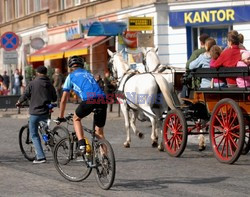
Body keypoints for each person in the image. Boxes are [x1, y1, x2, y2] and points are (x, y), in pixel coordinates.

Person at [57, 56, 107, 154]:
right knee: (99, 132)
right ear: (82, 65)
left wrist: (61, 116)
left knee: (76, 118)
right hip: (103, 99)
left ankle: (81, 144)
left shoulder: (70, 77)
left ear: (70, 67)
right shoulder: (88, 74)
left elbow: (63, 100)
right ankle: (105, 159)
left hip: (89, 99)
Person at [16, 66, 57, 163]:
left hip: (35, 112)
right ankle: (52, 144)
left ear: (37, 73)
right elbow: (54, 98)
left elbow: (25, 95)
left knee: (34, 134)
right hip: (46, 112)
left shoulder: (33, 83)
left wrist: (19, 102)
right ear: (46, 73)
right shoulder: (49, 83)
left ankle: (40, 157)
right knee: (45, 131)